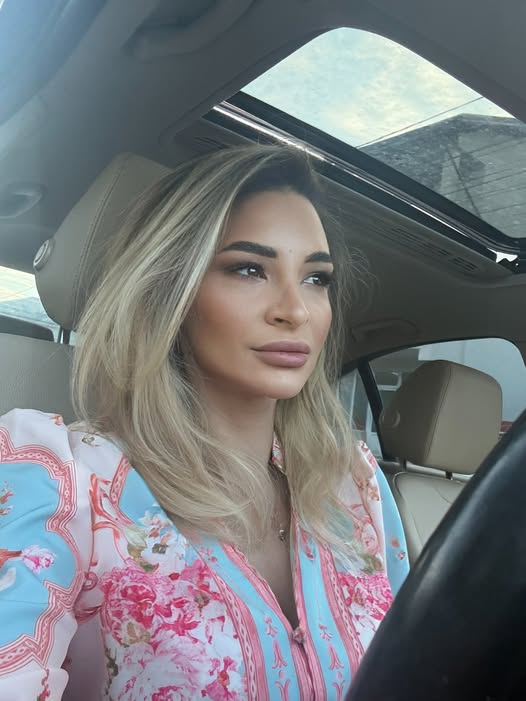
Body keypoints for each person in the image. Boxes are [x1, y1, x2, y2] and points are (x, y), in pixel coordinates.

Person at [0, 144, 408, 700]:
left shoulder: (353, 484)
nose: (296, 310)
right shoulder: (61, 482)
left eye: (316, 278)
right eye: (249, 269)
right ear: (171, 289)